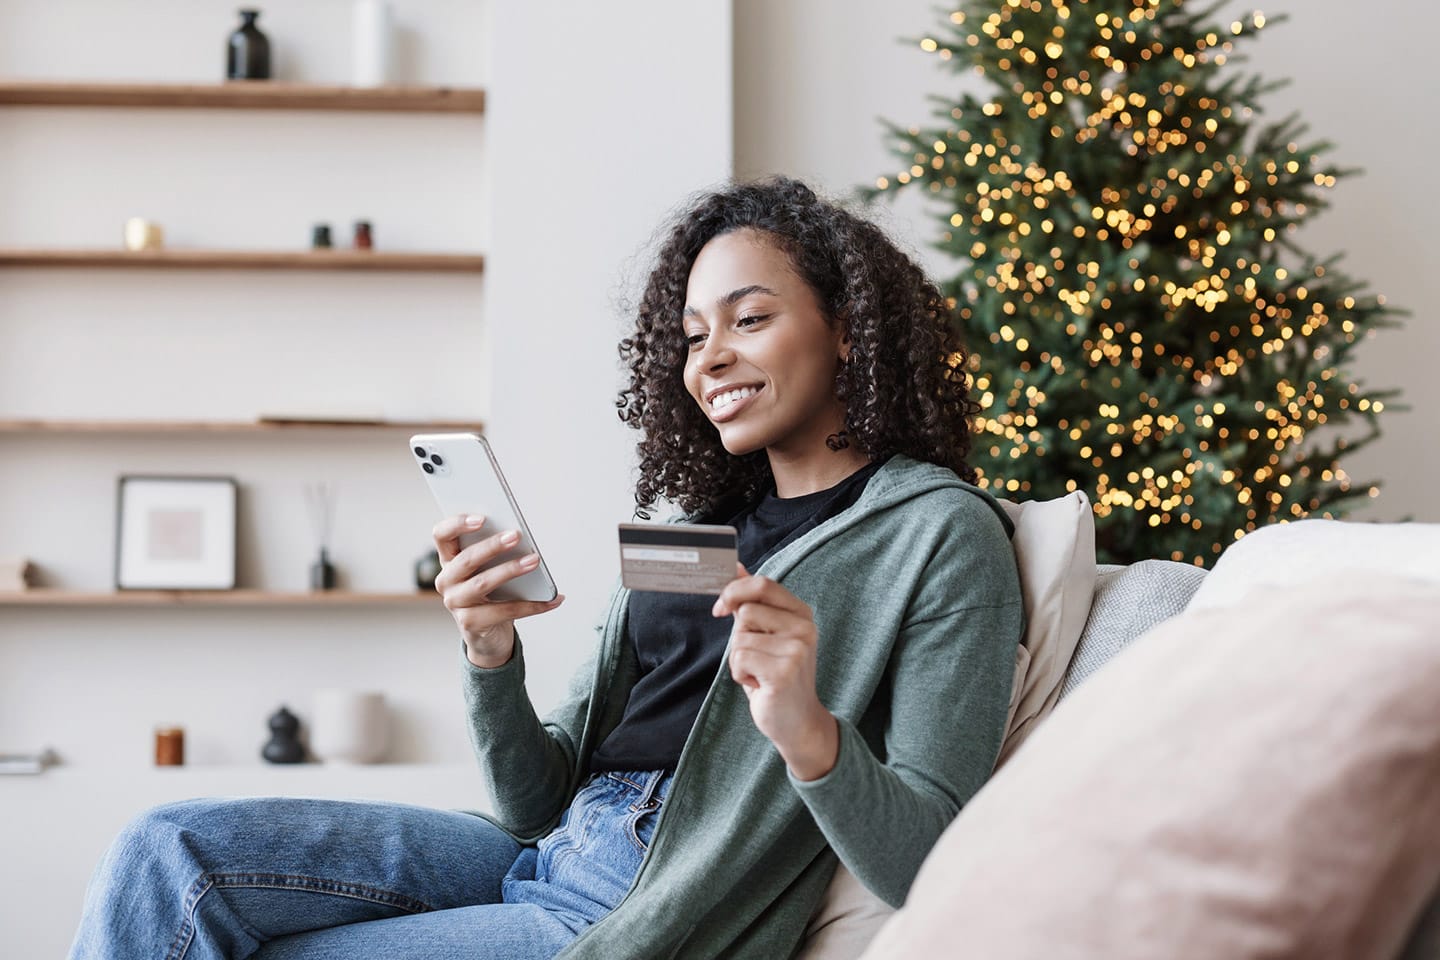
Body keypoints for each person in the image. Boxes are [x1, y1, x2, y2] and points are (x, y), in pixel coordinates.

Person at [68, 177, 1024, 960]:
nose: (712, 357)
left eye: (750, 319)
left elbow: (926, 861)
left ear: (849, 329)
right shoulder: (693, 531)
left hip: (640, 900)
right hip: (547, 849)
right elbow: (533, 800)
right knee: (166, 853)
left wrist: (806, 730)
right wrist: (490, 655)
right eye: (693, 336)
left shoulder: (939, 532)